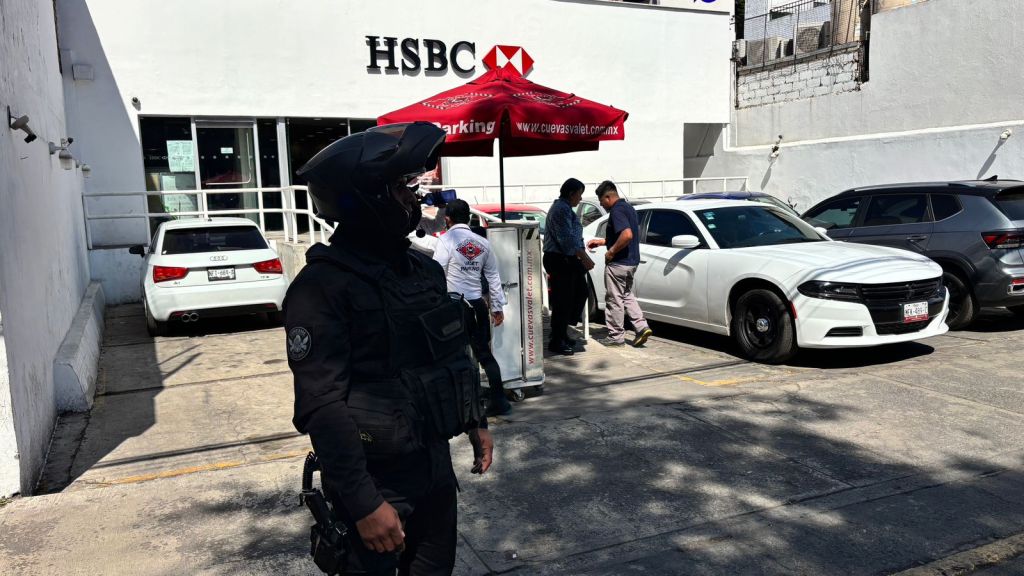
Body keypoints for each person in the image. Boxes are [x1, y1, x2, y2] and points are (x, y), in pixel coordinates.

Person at [284, 122, 493, 576]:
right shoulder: (320, 289)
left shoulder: (421, 269)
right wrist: (362, 504)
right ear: (365, 197)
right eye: (401, 187)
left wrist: (477, 420)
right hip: (377, 485)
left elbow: (452, 353)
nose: (412, 198)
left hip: (434, 469)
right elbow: (322, 405)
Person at [432, 198, 513, 417]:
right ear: (468, 217)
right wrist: (497, 307)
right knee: (484, 354)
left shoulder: (446, 240)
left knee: (455, 356)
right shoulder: (482, 243)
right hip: (477, 305)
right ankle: (499, 401)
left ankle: (465, 405)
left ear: (447, 219)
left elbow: (437, 273)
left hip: (454, 306)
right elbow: (493, 277)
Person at [585, 181, 653, 347]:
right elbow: (623, 235)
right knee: (626, 294)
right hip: (631, 262)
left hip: (619, 263)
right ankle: (641, 326)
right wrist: (602, 242)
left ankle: (615, 336)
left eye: (602, 201)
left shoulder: (617, 211)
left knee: (614, 299)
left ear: (608, 197)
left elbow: (627, 235)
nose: (601, 204)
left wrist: (611, 252)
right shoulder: (628, 208)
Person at [543, 178, 594, 355]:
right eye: (579, 194)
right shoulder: (560, 210)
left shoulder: (565, 209)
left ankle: (562, 331)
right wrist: (584, 257)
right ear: (571, 193)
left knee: (579, 292)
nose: (580, 199)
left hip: (567, 259)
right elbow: (566, 240)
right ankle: (557, 339)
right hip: (559, 259)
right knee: (563, 301)